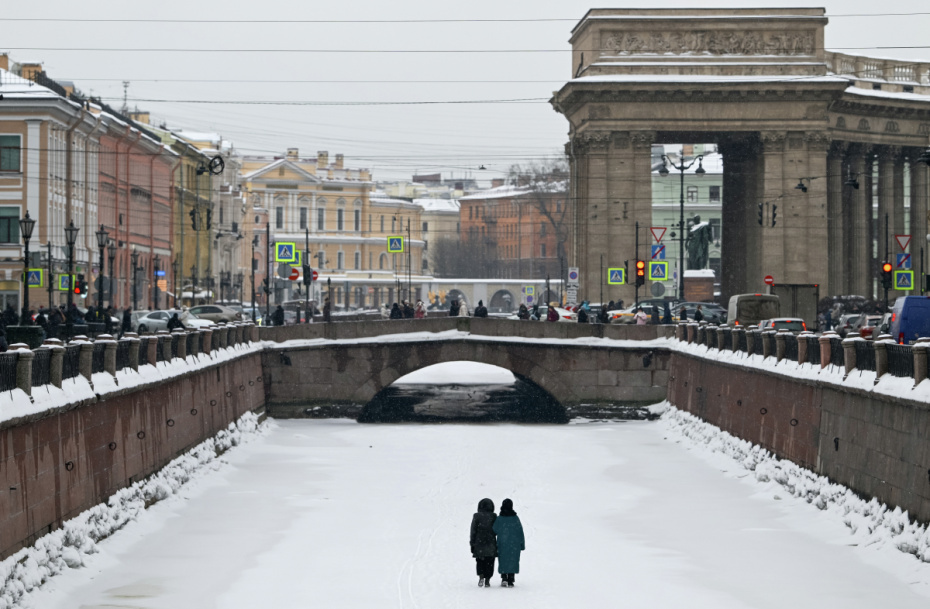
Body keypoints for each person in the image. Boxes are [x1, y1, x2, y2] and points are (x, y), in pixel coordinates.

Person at [492, 498, 525, 588]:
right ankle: (511, 579)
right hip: (514, 543)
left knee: (503, 560)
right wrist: (522, 544)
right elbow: (520, 532)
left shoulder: (500, 518)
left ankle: (504, 578)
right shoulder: (515, 518)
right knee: (512, 560)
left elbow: (494, 529)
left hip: (503, 543)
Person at [470, 498, 498, 588]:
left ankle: (481, 576)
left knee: (480, 561)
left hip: (479, 543)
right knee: (490, 561)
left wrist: (472, 543)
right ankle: (488, 579)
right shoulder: (494, 516)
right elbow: (497, 530)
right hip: (491, 543)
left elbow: (473, 531)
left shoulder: (476, 516)